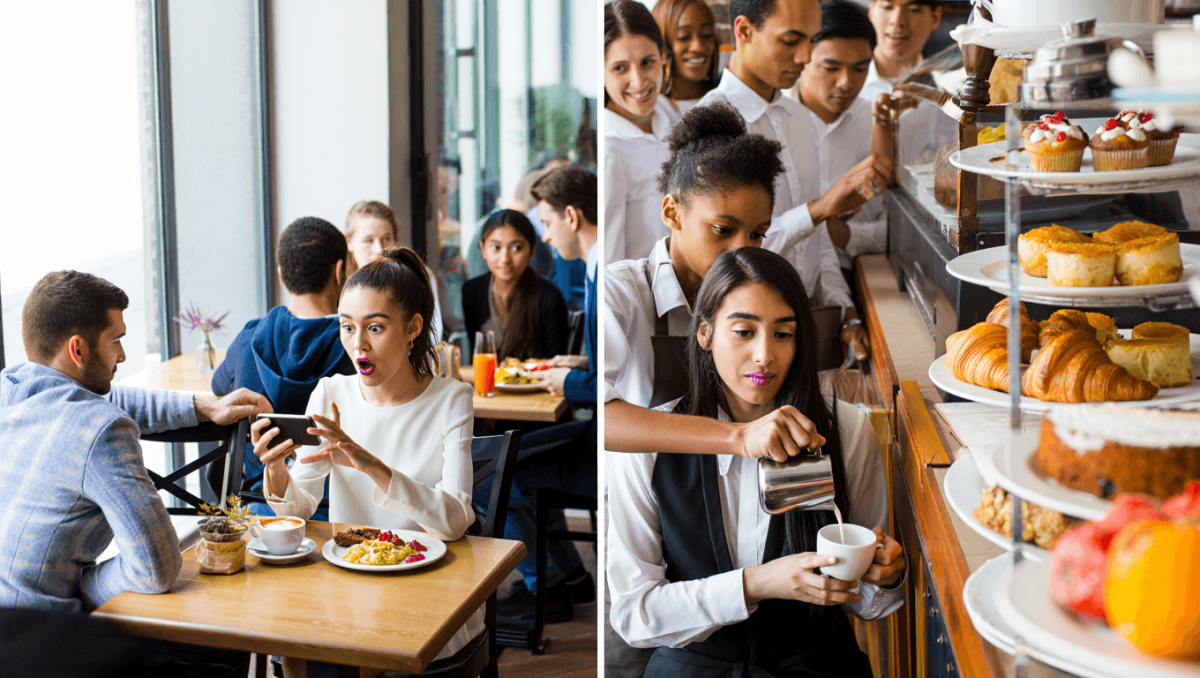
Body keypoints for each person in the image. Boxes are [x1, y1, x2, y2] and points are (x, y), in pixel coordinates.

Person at [608, 247, 906, 677]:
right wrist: (756, 584)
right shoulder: (650, 444)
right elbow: (635, 614)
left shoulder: (845, 430)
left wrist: (886, 576)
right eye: (744, 332)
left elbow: (871, 604)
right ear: (705, 333)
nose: (765, 354)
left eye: (783, 334)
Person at [0, 270, 266, 675]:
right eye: (116, 341)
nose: (122, 356)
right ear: (77, 349)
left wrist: (203, 406)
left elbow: (107, 397)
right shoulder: (101, 429)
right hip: (47, 648)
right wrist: (83, 584)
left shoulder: (11, 388)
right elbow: (156, 570)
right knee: (224, 643)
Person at [255, 248, 479, 674]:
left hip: (429, 589)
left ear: (413, 328)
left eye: (375, 327)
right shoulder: (330, 393)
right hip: (348, 584)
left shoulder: (452, 399)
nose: (357, 344)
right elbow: (299, 506)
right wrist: (276, 467)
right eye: (347, 327)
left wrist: (369, 464)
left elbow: (453, 522)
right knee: (285, 640)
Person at [698, 0, 882, 362]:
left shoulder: (800, 119)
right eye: (791, 40)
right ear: (743, 31)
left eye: (811, 40)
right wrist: (818, 210)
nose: (804, 57)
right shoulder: (710, 124)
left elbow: (819, 243)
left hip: (805, 325)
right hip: (743, 341)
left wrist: (845, 312)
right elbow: (724, 258)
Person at [474, 167, 602, 625]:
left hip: (600, 445)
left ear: (571, 217)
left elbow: (616, 388)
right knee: (504, 461)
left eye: (546, 223)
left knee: (489, 472)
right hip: (596, 433)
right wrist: (578, 364)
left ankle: (543, 588)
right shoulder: (597, 269)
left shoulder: (601, 275)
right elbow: (614, 370)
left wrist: (564, 382)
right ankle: (568, 577)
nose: (546, 236)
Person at [211, 216, 355, 519]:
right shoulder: (358, 347)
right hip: (338, 513)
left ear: (281, 273)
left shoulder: (249, 337)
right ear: (340, 270)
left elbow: (219, 388)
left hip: (258, 510)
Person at [792, 0, 891, 271]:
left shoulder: (878, 123)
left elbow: (898, 227)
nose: (847, 82)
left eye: (860, 69)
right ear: (803, 57)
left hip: (856, 274)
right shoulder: (774, 122)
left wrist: (847, 236)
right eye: (831, 68)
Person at [604, 0, 677, 264]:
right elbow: (612, 268)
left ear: (664, 56)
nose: (639, 81)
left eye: (647, 62)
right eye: (620, 68)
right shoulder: (610, 152)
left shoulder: (670, 118)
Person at [463, 209, 569, 361]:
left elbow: (555, 362)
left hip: (536, 377)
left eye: (516, 248)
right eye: (496, 248)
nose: (505, 259)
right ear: (483, 249)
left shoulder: (549, 297)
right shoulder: (472, 291)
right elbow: (477, 356)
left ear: (532, 251)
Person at [344, 200, 444, 342]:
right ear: (349, 242)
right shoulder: (340, 287)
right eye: (368, 240)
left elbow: (433, 336)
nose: (379, 249)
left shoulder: (418, 277)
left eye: (387, 238)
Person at [860, 0, 942, 104]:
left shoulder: (949, 93)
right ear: (871, 11)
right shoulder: (847, 86)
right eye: (887, 7)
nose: (897, 21)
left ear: (935, 18)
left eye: (912, 9)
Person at [653, 0, 720, 117]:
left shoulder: (725, 98)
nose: (698, 47)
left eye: (706, 34)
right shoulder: (651, 108)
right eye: (683, 37)